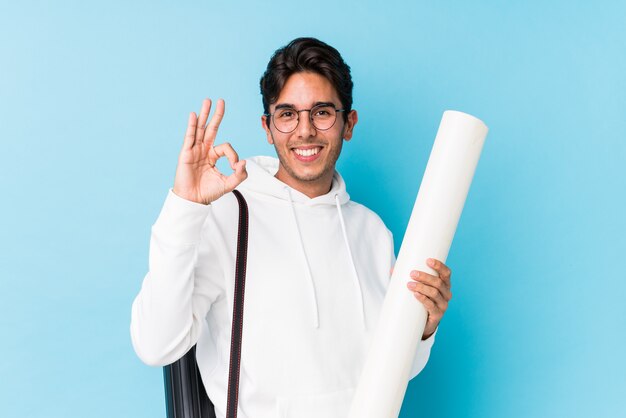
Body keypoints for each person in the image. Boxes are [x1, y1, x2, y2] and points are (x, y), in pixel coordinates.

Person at [130, 37, 452, 418]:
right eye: (287, 114)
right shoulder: (226, 216)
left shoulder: (372, 231)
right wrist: (185, 205)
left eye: (321, 113)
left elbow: (395, 371)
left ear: (348, 123)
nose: (304, 131)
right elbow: (156, 345)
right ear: (267, 127)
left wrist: (423, 328)